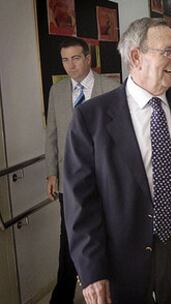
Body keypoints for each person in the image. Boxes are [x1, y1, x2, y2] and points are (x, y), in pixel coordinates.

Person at [63, 18, 171, 304]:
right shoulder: (91, 118)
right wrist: (91, 270)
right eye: (168, 52)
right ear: (136, 56)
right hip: (123, 252)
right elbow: (80, 202)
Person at [45, 36, 119, 304]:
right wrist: (51, 172)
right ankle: (63, 296)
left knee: (109, 234)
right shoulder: (57, 91)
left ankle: (112, 289)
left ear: (89, 58)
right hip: (69, 181)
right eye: (65, 60)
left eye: (76, 58)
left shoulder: (111, 88)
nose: (70, 65)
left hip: (106, 179)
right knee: (69, 241)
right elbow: (52, 133)